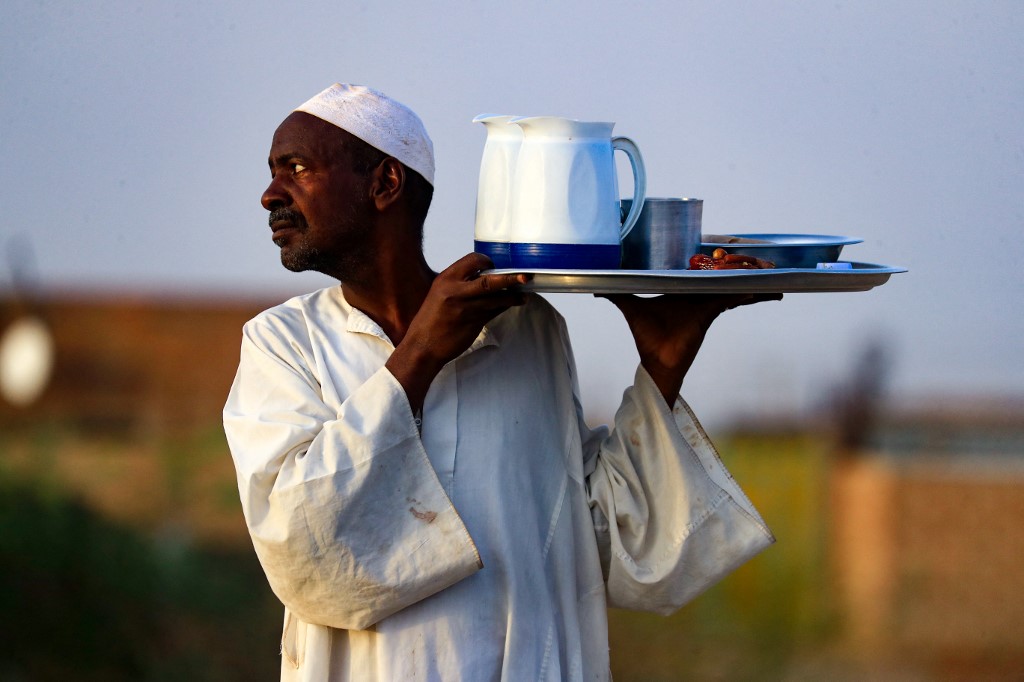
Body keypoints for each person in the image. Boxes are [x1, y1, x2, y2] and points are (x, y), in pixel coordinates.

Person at [224, 83, 778, 682]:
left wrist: (663, 366)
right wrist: (420, 356)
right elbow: (300, 544)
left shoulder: (525, 329)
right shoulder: (283, 343)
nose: (270, 194)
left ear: (385, 183)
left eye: (298, 169)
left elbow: (590, 541)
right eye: (275, 173)